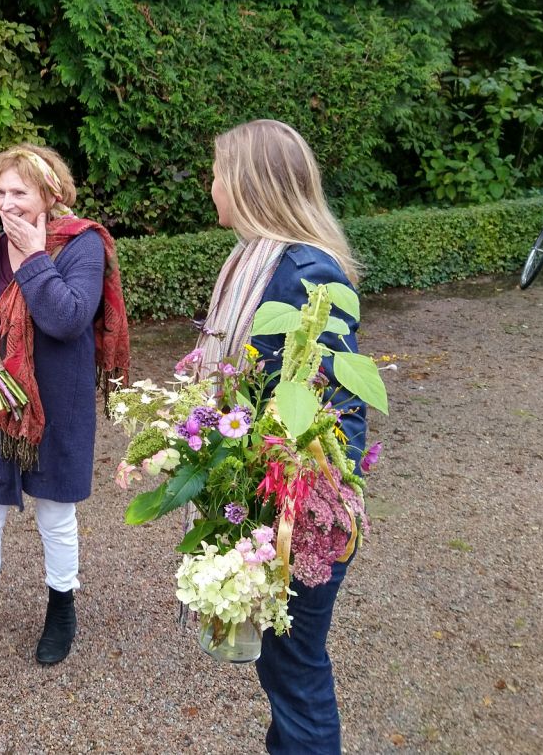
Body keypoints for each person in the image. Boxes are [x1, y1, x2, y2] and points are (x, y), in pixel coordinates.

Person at [197, 119, 368, 753]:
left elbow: (338, 408)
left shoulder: (301, 271)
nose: (211, 185)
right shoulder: (256, 260)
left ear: (247, 184)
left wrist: (298, 515)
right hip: (275, 501)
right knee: (282, 667)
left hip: (301, 515)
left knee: (294, 672)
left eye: (218, 173)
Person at [0, 143, 129, 665]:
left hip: (60, 400)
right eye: (1, 192)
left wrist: (35, 256)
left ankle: (62, 610)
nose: (8, 202)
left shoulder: (80, 246)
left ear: (49, 195)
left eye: (20, 192)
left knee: (56, 514)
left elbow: (66, 319)